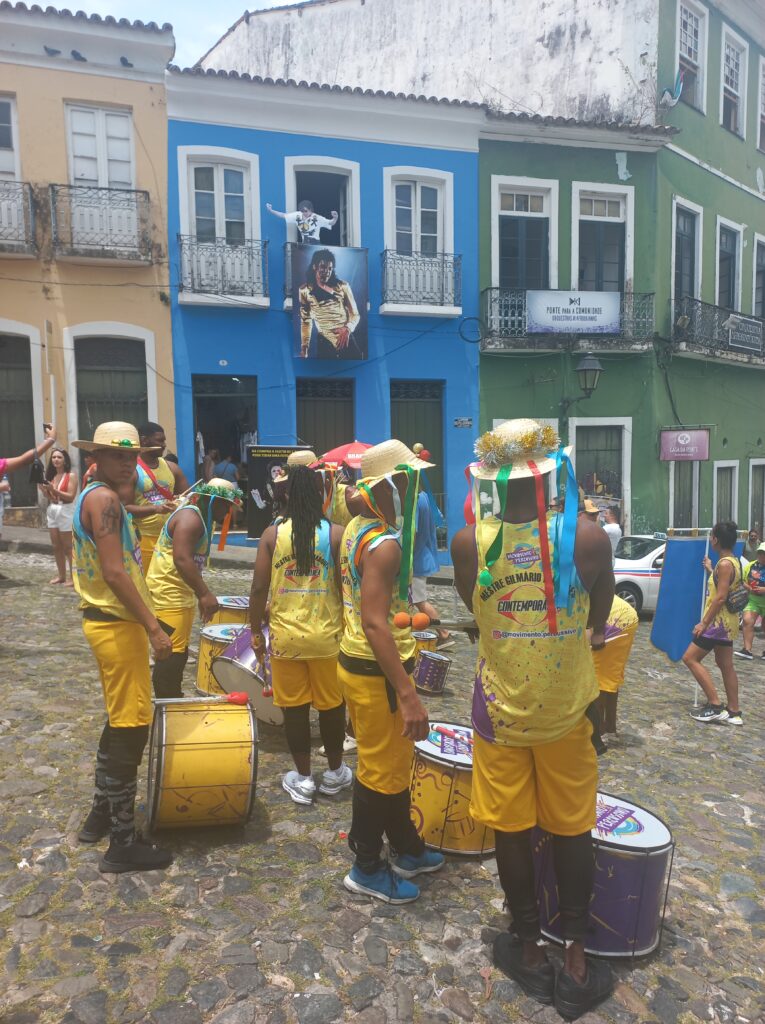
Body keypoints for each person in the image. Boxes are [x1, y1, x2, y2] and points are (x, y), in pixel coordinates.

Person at [451, 418, 615, 1019]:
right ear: (552, 473)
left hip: (500, 712)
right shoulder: (590, 539)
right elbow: (601, 610)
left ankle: (526, 947)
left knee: (512, 830)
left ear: (491, 480)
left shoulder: (469, 544)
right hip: (569, 712)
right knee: (573, 830)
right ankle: (573, 958)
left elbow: (476, 609)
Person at [339, 440, 445, 905]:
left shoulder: (357, 527)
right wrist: (407, 693)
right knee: (380, 770)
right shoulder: (383, 545)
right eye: (407, 478)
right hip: (375, 668)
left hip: (361, 661)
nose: (413, 484)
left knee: (393, 763)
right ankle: (366, 864)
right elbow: (374, 622)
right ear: (392, 484)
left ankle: (406, 845)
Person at [71, 421, 173, 873]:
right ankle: (123, 841)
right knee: (132, 728)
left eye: (132, 454)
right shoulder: (105, 499)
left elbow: (115, 530)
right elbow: (115, 571)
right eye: (118, 454)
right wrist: (153, 627)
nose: (128, 460)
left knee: (118, 721)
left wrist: (148, 512)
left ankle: (98, 815)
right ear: (96, 456)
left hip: (107, 624)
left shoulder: (96, 496)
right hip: (118, 625)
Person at [249, 465, 352, 803]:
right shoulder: (336, 534)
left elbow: (259, 588)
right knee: (332, 708)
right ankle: (335, 773)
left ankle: (304, 779)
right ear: (322, 494)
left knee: (294, 710)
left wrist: (254, 630)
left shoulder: (271, 535)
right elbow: (344, 587)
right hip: (327, 638)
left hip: (286, 640)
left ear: (288, 494)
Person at [146, 479, 243, 698]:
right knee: (171, 652)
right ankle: (167, 701)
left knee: (177, 651)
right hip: (168, 593)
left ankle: (171, 697)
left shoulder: (197, 516)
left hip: (178, 592)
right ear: (212, 501)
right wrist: (205, 594)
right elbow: (181, 559)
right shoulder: (191, 519)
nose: (228, 512)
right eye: (226, 505)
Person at [682, 521, 743, 726]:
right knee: (726, 665)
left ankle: (715, 704)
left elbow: (720, 598)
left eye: (712, 537)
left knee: (690, 658)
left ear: (716, 540)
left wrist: (704, 623)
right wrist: (710, 570)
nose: (710, 539)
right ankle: (734, 711)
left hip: (717, 623)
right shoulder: (732, 562)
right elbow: (721, 586)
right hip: (728, 624)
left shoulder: (724, 565)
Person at [123, 423, 189, 577]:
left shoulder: (172, 468)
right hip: (144, 539)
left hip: (170, 539)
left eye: (164, 440)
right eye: (160, 440)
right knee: (145, 586)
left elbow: (188, 497)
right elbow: (125, 506)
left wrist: (182, 500)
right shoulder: (132, 470)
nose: (164, 444)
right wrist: (156, 509)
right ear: (144, 441)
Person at [299, 249, 360, 359]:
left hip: (345, 338)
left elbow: (355, 314)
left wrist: (347, 328)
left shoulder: (343, 286)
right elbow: (305, 321)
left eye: (330, 268)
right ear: (314, 267)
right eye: (323, 267)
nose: (327, 271)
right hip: (324, 342)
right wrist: (304, 348)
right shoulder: (305, 290)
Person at [412, 489, 452, 649]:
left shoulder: (415, 500)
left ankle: (445, 634)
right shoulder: (425, 496)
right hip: (424, 555)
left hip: (416, 559)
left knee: (420, 601)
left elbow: (413, 533)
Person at [593, 595, 638, 735]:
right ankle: (610, 726)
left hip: (613, 618)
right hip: (625, 614)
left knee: (598, 678)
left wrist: (597, 633)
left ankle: (598, 732)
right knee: (609, 676)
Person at [39, 447, 78, 586]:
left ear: (65, 460)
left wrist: (53, 489)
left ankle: (74, 577)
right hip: (53, 509)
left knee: (68, 546)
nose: (56, 460)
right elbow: (52, 498)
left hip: (66, 509)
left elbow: (71, 497)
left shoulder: (71, 475)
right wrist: (45, 491)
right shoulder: (51, 476)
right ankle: (61, 575)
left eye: (59, 457)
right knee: (56, 546)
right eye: (54, 457)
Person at [734, 541, 765, 661]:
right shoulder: (750, 565)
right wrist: (750, 588)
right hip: (753, 600)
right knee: (747, 621)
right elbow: (741, 580)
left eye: (764, 553)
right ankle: (747, 650)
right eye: (760, 553)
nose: (762, 555)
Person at [267, 199, 338, 245]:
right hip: (305, 243)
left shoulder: (317, 218)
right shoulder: (297, 215)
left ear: (311, 210)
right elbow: (283, 215)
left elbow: (330, 223)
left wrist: (335, 218)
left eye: (306, 211)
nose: (304, 213)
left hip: (316, 244)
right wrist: (271, 211)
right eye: (302, 211)